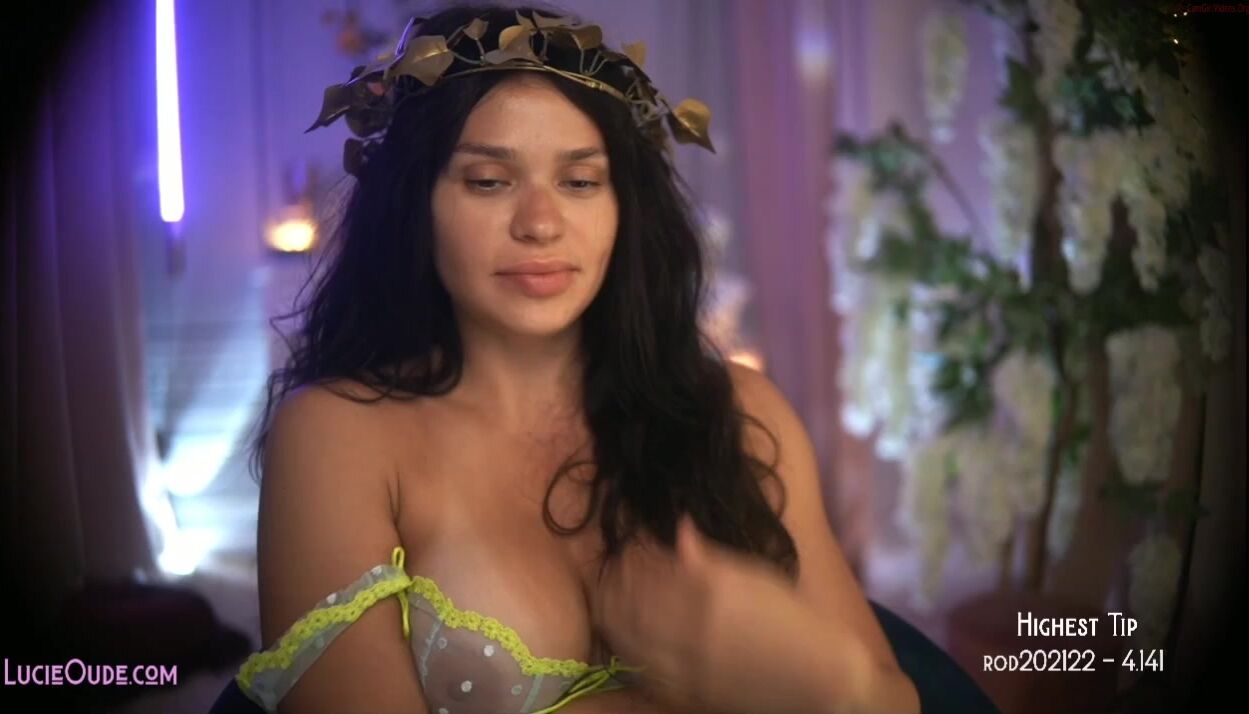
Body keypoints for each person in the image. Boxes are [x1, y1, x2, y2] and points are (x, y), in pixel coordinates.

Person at [233, 3, 921, 713]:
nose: (540, 224)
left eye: (580, 181)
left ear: (624, 206)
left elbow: (892, 700)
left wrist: (815, 673)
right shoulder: (339, 434)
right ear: (415, 203)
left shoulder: (744, 412)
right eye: (489, 181)